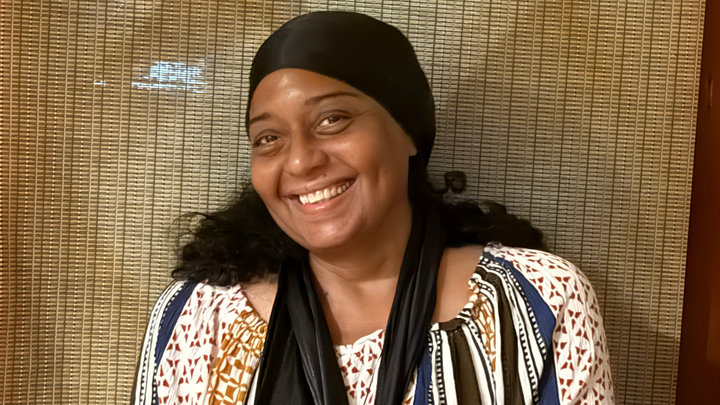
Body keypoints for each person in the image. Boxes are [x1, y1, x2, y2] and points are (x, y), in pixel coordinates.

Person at [133, 11, 613, 405]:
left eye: (332, 119)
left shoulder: (536, 301)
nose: (299, 161)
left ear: (408, 132)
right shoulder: (197, 317)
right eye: (268, 138)